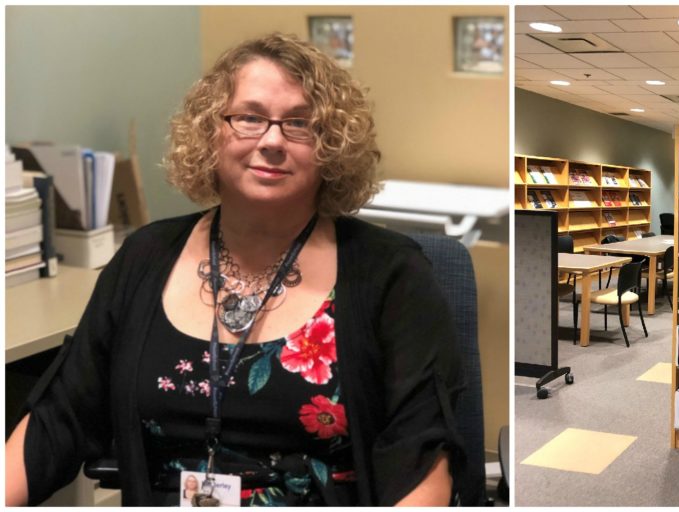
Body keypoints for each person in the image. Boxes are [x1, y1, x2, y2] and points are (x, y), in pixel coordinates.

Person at [6, 33, 466, 506]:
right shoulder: (145, 256)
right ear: (210, 132)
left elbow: (421, 453)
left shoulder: (389, 273)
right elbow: (61, 415)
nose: (271, 141)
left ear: (331, 146)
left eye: (300, 124)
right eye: (248, 118)